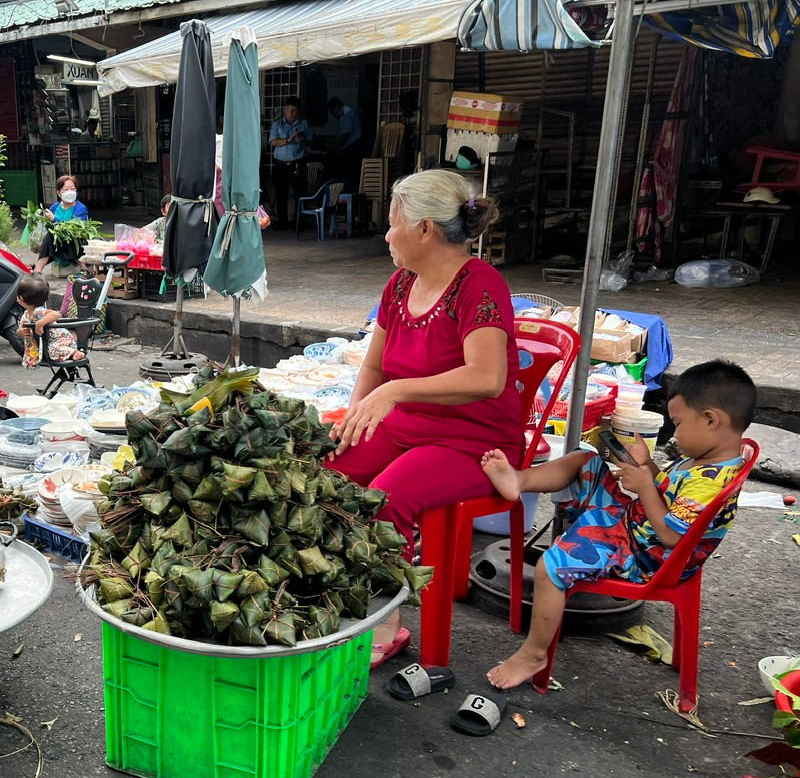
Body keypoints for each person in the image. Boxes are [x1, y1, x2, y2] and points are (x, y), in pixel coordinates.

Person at [323, 169, 520, 666]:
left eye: (393, 223)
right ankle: (330, 593)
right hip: (408, 428)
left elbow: (488, 377)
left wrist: (395, 391)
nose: (387, 235)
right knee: (321, 476)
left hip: (474, 443)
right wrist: (353, 418)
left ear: (425, 229)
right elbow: (373, 364)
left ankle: (388, 623)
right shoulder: (399, 284)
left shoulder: (481, 284)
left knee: (386, 498)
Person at [480, 360, 755, 690]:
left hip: (645, 557)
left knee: (549, 567)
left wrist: (643, 487)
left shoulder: (710, 483)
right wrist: (648, 467)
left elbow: (669, 536)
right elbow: (668, 497)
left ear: (712, 420)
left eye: (678, 424)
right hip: (635, 526)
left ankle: (533, 653)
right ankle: (519, 480)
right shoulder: (706, 457)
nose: (675, 433)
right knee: (586, 460)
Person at [16, 273, 84, 369]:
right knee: (47, 351)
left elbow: (55, 314)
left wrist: (40, 323)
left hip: (60, 342)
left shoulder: (39, 312)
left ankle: (74, 352)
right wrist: (20, 332)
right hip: (46, 343)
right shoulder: (26, 315)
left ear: (21, 298)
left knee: (51, 350)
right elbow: (21, 328)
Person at [268, 96, 311, 230]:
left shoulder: (303, 123)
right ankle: (282, 222)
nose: (294, 114)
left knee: (300, 193)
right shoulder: (277, 124)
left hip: (298, 163)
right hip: (281, 164)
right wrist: (288, 139)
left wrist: (302, 141)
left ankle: (299, 221)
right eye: (291, 110)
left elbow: (311, 141)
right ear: (285, 110)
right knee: (281, 193)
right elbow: (273, 142)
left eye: (296, 111)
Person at [34, 175, 89, 274]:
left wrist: (54, 219)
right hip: (57, 242)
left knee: (73, 238)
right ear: (59, 193)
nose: (70, 192)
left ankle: (84, 269)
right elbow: (49, 227)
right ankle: (37, 271)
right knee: (50, 236)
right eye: (66, 189)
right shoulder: (54, 207)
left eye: (72, 189)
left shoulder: (80, 209)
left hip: (73, 241)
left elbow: (75, 229)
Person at [328, 96, 363, 188]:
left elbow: (345, 134)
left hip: (353, 147)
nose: (332, 114)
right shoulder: (346, 113)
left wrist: (335, 147)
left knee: (350, 173)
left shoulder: (346, 113)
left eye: (331, 111)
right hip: (351, 146)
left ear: (336, 106)